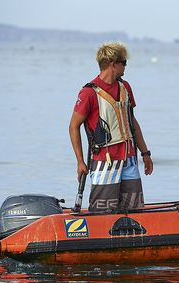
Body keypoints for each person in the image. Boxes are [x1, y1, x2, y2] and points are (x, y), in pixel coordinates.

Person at [68, 42, 153, 212]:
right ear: (113, 64)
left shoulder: (125, 87)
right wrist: (80, 161)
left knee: (134, 210)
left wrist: (145, 153)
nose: (126, 67)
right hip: (104, 162)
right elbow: (73, 127)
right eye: (124, 63)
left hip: (129, 159)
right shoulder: (88, 93)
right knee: (102, 213)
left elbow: (132, 122)